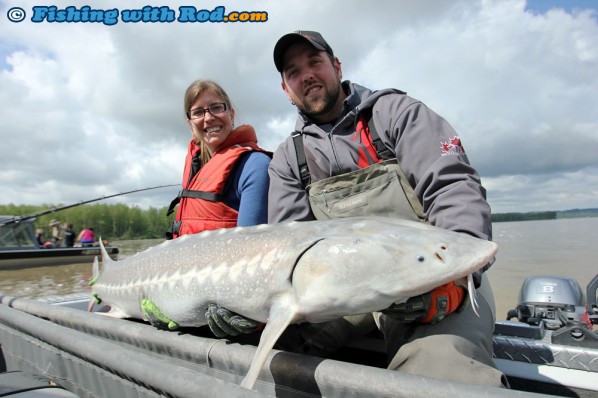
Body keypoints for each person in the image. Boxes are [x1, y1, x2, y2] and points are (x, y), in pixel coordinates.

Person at [207, 31, 507, 388]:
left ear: (336, 67)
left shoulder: (396, 113)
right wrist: (253, 309)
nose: (306, 76)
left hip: (427, 282)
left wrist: (455, 281)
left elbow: (453, 188)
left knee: (441, 371)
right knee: (264, 355)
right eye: (292, 72)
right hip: (341, 293)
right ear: (286, 90)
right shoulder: (289, 157)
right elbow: (290, 251)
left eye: (314, 63)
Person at [165, 79, 271, 239]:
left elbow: (248, 247)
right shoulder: (196, 165)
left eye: (216, 108)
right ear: (190, 125)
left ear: (231, 114)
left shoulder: (255, 165)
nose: (208, 118)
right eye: (198, 112)